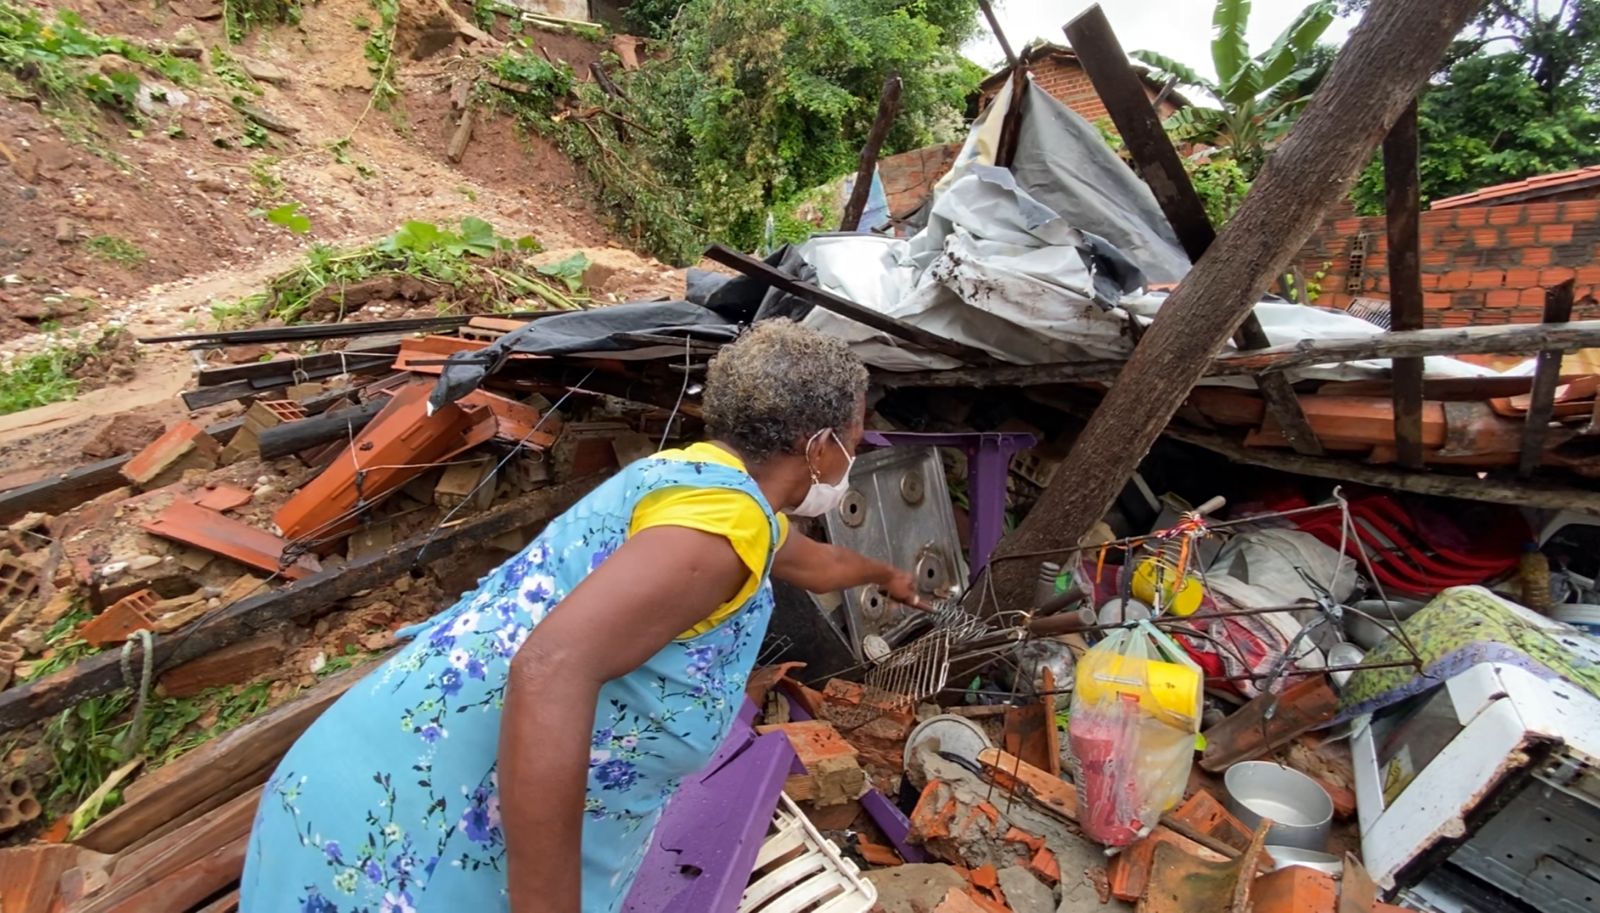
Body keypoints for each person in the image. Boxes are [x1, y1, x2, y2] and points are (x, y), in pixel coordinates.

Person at [241, 319, 927, 913]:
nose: (852, 461)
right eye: (853, 440)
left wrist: (883, 573)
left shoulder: (700, 485)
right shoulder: (723, 527)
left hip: (379, 780)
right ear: (817, 446)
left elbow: (806, 560)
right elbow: (552, 666)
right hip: (413, 835)